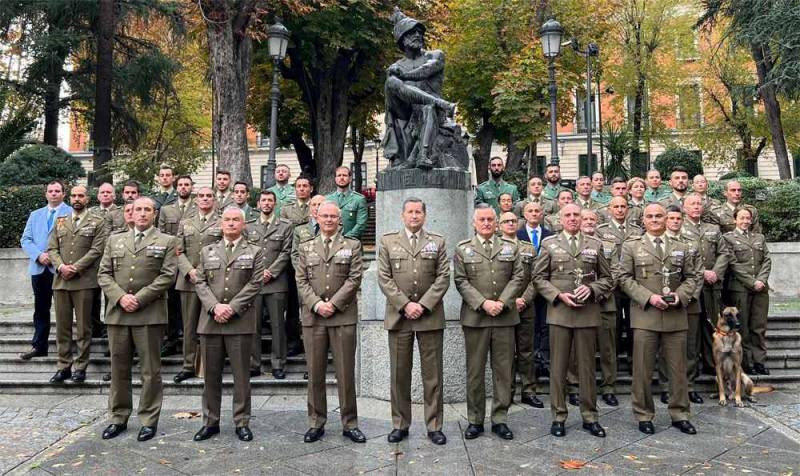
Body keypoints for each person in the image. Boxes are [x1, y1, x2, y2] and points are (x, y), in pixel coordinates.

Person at [98, 197, 178, 442]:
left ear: (154, 214)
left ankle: (148, 419)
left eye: (147, 210)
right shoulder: (114, 240)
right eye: (137, 210)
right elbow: (104, 274)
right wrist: (121, 298)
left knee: (150, 370)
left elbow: (167, 276)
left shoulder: (166, 241)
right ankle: (118, 417)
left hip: (149, 315)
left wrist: (139, 298)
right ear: (129, 214)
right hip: (118, 314)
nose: (142, 214)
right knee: (118, 369)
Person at [615, 203, 699, 436]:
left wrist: (679, 296)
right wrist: (648, 297)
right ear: (643, 220)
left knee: (678, 370)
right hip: (645, 316)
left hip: (675, 316)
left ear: (667, 219)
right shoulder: (632, 246)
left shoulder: (682, 246)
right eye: (650, 216)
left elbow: (692, 277)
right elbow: (623, 277)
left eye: (659, 216)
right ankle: (643, 414)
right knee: (642, 369)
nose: (654, 219)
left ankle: (680, 414)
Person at [534, 204, 613, 438]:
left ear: (582, 218)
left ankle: (590, 416)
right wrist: (558, 295)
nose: (572, 218)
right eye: (567, 215)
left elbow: (608, 279)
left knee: (587, 368)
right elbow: (538, 278)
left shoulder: (596, 245)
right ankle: (558, 416)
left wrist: (592, 289)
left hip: (587, 314)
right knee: (558, 368)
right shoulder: (549, 244)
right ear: (560, 219)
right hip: (559, 313)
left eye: (576, 215)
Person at [377, 198, 450, 445]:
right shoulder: (388, 241)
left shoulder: (437, 241)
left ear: (425, 215)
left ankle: (434, 425)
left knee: (433, 375)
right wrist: (406, 304)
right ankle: (400, 424)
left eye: (419, 211)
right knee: (399, 374)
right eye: (410, 212)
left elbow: (443, 277)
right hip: (399, 318)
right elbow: (384, 278)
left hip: (429, 316)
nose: (414, 216)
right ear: (402, 215)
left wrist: (422, 305)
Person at [295, 202, 366, 444]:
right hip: (313, 318)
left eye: (333, 216)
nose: (328, 220)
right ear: (317, 217)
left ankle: (350, 423)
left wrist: (333, 304)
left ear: (340, 219)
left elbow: (355, 277)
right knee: (315, 373)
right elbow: (301, 280)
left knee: (345, 373)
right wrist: (317, 305)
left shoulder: (352, 245)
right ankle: (316, 422)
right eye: (324, 215)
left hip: (342, 316)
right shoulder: (306, 248)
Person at [192, 207, 264, 442]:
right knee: (210, 376)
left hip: (240, 322)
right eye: (227, 220)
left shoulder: (255, 251)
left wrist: (231, 308)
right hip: (211, 322)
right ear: (221, 224)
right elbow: (200, 282)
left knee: (241, 376)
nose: (231, 223)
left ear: (243, 224)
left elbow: (254, 284)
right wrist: (215, 307)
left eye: (236, 220)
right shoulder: (207, 251)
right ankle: (210, 422)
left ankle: (241, 421)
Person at [454, 205, 525, 441]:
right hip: (476, 318)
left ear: (496, 223)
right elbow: (461, 281)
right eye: (481, 219)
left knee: (503, 371)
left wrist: (503, 302)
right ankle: (475, 420)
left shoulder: (510, 247)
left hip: (504, 317)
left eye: (490, 220)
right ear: (474, 223)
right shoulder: (463, 249)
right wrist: (484, 303)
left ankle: (500, 419)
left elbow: (518, 277)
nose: (486, 223)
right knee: (475, 372)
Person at [47, 186, 109, 383]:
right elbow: (52, 248)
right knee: (63, 328)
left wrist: (75, 267)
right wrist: (61, 267)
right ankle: (64, 365)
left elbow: (97, 249)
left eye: (80, 196)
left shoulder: (97, 222)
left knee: (84, 328)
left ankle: (80, 367)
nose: (76, 199)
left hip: (84, 281)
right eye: (73, 195)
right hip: (62, 281)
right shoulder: (60, 221)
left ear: (87, 198)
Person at [567, 208, 621, 407]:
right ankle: (574, 387)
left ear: (597, 222)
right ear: (579, 220)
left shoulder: (607, 245)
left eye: (592, 219)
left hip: (604, 303)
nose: (588, 221)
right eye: (585, 218)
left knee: (607, 349)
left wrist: (596, 291)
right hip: (578, 304)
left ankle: (608, 387)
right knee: (575, 350)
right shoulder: (570, 245)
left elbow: (616, 271)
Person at [173, 188, 222, 383]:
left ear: (214, 200)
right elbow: (178, 251)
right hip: (189, 282)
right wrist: (189, 271)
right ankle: (188, 365)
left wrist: (202, 272)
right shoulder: (185, 223)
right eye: (201, 196)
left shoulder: (222, 221)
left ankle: (210, 365)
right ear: (196, 200)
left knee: (211, 326)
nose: (205, 199)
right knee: (189, 325)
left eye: (209, 196)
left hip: (213, 281)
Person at [19, 180, 72, 360]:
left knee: (64, 311)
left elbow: (74, 243)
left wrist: (56, 259)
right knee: (41, 309)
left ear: (64, 194)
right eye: (51, 191)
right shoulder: (35, 215)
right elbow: (26, 239)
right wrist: (38, 256)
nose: (54, 194)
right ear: (46, 194)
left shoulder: (71, 213)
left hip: (61, 270)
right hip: (39, 269)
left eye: (58, 191)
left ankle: (65, 350)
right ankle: (39, 346)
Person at [658, 205, 705, 405]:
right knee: (664, 347)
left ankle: (689, 386)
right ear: (665, 220)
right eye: (672, 218)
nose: (675, 221)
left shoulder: (691, 243)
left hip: (689, 302)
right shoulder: (658, 241)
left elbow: (698, 272)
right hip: (663, 302)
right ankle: (665, 386)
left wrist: (688, 296)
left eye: (678, 218)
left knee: (690, 347)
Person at [246, 191, 293, 379]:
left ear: (275, 204)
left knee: (277, 326)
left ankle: (278, 364)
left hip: (277, 283)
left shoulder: (285, 226)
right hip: (254, 283)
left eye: (270, 200)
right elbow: (246, 251)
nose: (266, 203)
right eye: (263, 200)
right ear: (258, 203)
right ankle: (253, 364)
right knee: (253, 325)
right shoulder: (248, 227)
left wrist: (271, 272)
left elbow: (286, 252)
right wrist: (259, 273)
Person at [596, 197, 642, 381]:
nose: (620, 210)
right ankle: (612, 367)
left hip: (632, 284)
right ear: (610, 209)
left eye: (623, 206)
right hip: (612, 287)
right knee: (612, 329)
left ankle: (633, 362)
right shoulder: (602, 231)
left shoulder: (637, 230)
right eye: (616, 206)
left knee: (633, 326)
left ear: (628, 209)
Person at [500, 211, 543, 409]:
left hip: (526, 306)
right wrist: (509, 301)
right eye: (506, 221)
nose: (510, 223)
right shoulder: (496, 247)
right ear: (499, 225)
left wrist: (524, 299)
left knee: (526, 351)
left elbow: (536, 278)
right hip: (504, 308)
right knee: (506, 353)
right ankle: (507, 393)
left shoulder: (528, 248)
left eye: (513, 221)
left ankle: (528, 390)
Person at [682, 193, 727, 377]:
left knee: (712, 326)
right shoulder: (679, 227)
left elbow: (723, 253)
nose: (696, 206)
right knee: (691, 331)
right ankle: (691, 371)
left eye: (699, 203)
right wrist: (702, 273)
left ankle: (711, 365)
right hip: (691, 286)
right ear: (685, 207)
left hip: (711, 285)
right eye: (692, 204)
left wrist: (716, 272)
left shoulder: (713, 229)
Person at [722, 207, 771, 375]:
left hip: (760, 289)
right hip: (740, 288)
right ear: (735, 219)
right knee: (741, 326)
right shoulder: (728, 238)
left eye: (747, 218)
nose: (745, 221)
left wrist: (761, 280)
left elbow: (767, 260)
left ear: (751, 220)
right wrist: (751, 282)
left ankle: (760, 362)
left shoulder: (759, 237)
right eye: (741, 218)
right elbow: (733, 264)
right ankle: (745, 362)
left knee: (759, 326)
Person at [517, 201, 553, 381]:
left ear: (542, 214)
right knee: (530, 329)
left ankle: (545, 362)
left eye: (537, 211)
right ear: (524, 214)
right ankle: (532, 364)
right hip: (526, 290)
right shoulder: (517, 235)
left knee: (546, 327)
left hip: (546, 288)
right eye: (530, 211)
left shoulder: (550, 235)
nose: (533, 213)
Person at [325, 166, 368, 240]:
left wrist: (345, 238)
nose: (341, 178)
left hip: (352, 243)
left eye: (344, 175)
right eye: (339, 175)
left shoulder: (359, 199)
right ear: (335, 179)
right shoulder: (327, 199)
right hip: (331, 243)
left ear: (350, 179)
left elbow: (361, 224)